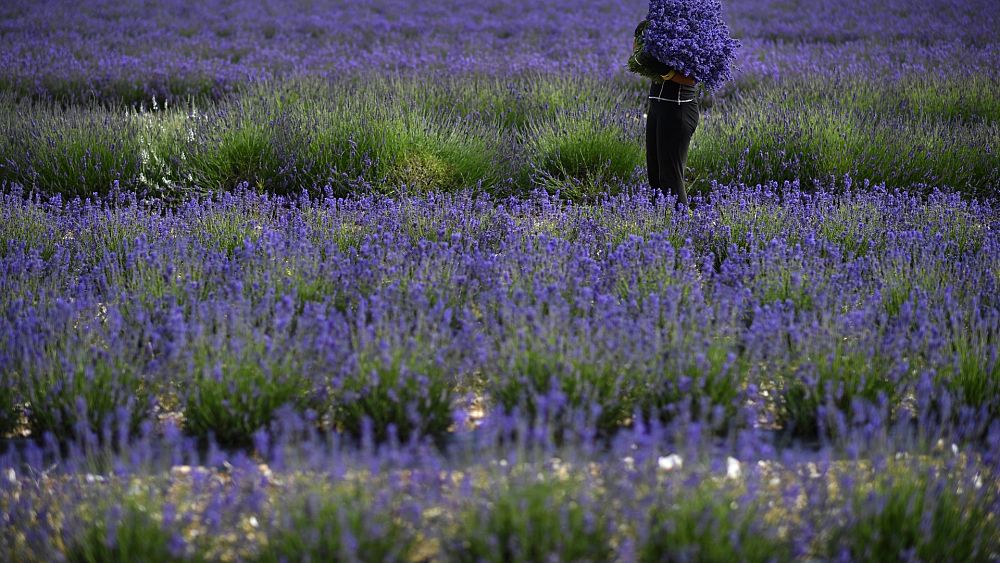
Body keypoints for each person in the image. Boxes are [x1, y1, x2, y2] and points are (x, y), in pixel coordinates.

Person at [633, 20, 699, 208]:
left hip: (678, 109)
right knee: (655, 178)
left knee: (671, 179)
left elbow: (692, 78)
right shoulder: (662, 25)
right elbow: (639, 62)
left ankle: (684, 231)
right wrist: (640, 50)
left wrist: (665, 71)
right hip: (657, 107)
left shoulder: (695, 29)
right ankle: (660, 231)